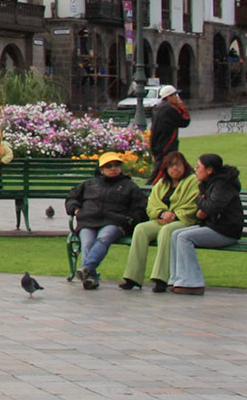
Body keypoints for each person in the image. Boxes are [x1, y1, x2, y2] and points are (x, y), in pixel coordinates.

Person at [65, 151, 148, 289]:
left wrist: (130, 220)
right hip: (88, 220)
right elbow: (72, 197)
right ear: (101, 169)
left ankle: (85, 268)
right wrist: (75, 209)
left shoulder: (129, 185)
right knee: (87, 243)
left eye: (116, 165)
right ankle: (90, 276)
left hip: (115, 221)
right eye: (109, 166)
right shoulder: (89, 184)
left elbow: (140, 207)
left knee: (104, 237)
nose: (113, 168)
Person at [119, 151, 200, 291]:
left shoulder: (193, 181)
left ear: (184, 166)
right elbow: (152, 205)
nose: (175, 169)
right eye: (171, 166)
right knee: (141, 229)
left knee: (166, 231)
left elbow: (192, 205)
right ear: (166, 169)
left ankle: (161, 278)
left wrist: (173, 215)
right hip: (162, 219)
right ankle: (133, 277)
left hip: (183, 221)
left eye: (178, 165)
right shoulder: (161, 184)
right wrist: (162, 214)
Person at [169, 153, 243, 295]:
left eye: (198, 167)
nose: (195, 170)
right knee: (175, 234)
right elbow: (206, 208)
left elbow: (212, 207)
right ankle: (176, 279)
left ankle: (193, 282)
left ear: (209, 170)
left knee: (185, 238)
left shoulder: (223, 184)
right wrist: (203, 207)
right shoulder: (209, 184)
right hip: (213, 226)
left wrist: (200, 203)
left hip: (225, 230)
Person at [147, 87, 189, 178]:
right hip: (167, 143)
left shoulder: (158, 108)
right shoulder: (169, 109)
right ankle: (149, 188)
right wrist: (181, 107)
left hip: (158, 142)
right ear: (169, 97)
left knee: (163, 168)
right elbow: (185, 121)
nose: (177, 98)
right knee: (161, 169)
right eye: (175, 95)